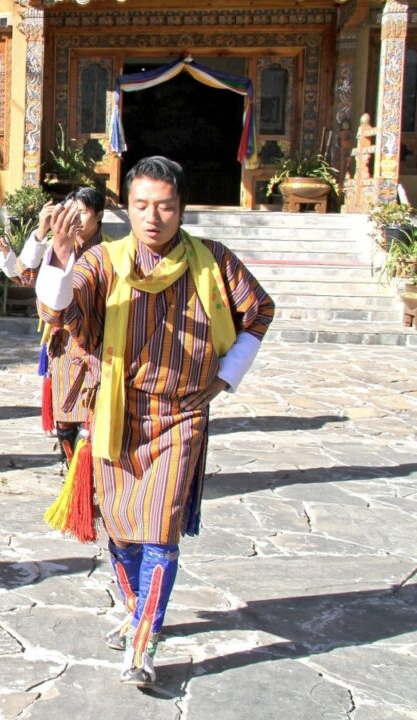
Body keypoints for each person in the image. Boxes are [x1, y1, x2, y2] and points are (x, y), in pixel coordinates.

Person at [35, 156, 274, 687]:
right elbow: (56, 311)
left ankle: (144, 640)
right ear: (128, 207)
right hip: (117, 409)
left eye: (165, 206)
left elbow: (258, 312)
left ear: (181, 209)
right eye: (141, 205)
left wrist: (227, 376)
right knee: (120, 527)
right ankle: (136, 606)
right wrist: (61, 255)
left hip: (181, 413)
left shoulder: (213, 262)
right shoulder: (104, 260)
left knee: (160, 528)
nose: (153, 216)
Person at [0, 188, 110, 463]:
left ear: (99, 215)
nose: (74, 219)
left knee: (93, 415)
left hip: (98, 344)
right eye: (68, 211)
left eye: (81, 212)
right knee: (65, 413)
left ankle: (91, 477)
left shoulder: (111, 252)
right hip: (63, 344)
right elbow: (24, 276)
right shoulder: (56, 248)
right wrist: (40, 231)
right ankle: (72, 471)